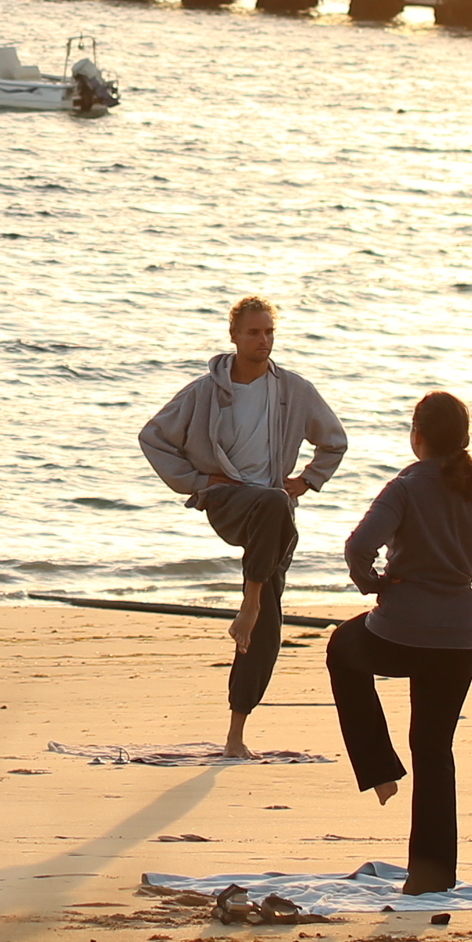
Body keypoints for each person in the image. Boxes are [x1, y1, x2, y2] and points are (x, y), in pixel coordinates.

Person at [328, 392, 472, 892]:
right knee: (434, 749)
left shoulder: (405, 486)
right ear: (463, 439)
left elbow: (358, 547)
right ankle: (431, 876)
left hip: (400, 631)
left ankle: (379, 768)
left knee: (343, 648)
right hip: (459, 638)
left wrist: (373, 583)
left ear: (417, 437)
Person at [137, 296, 348, 758]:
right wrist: (196, 481)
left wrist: (306, 481)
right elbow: (153, 437)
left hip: (273, 510)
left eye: (269, 332)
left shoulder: (293, 390)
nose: (263, 340)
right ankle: (249, 603)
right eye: (254, 332)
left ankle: (235, 734)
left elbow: (334, 441)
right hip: (228, 500)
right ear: (234, 335)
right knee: (270, 508)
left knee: (269, 626)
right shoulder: (205, 391)